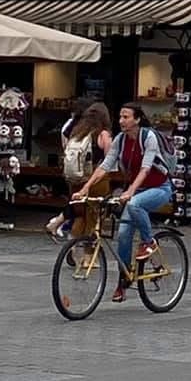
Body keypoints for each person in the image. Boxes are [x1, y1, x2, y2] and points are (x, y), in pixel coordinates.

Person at [72, 103, 176, 303]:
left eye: (126, 117)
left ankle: (149, 242)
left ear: (137, 119)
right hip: (136, 191)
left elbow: (146, 169)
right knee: (123, 234)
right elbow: (105, 166)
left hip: (159, 189)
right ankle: (123, 280)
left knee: (135, 203)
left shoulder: (149, 137)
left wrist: (130, 191)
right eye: (120, 117)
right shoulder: (120, 140)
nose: (121, 121)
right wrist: (85, 188)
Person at [49, 102, 113, 241]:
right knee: (93, 218)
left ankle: (71, 245)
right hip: (96, 180)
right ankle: (88, 255)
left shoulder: (78, 132)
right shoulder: (103, 134)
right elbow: (109, 161)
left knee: (80, 214)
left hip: (76, 178)